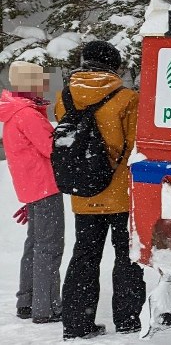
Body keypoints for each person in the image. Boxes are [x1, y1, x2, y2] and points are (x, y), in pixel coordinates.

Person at [55, 41, 144, 340]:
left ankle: (77, 325)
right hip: (120, 193)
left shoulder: (64, 96)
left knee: (84, 256)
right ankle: (129, 319)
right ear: (114, 66)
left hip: (84, 191)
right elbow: (133, 146)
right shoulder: (127, 99)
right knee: (126, 256)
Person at [0, 61, 64, 325]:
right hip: (45, 186)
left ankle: (27, 301)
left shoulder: (15, 111)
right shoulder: (27, 114)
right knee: (49, 247)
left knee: (35, 246)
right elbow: (53, 149)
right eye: (39, 81)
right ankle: (46, 307)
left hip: (32, 187)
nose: (44, 85)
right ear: (29, 83)